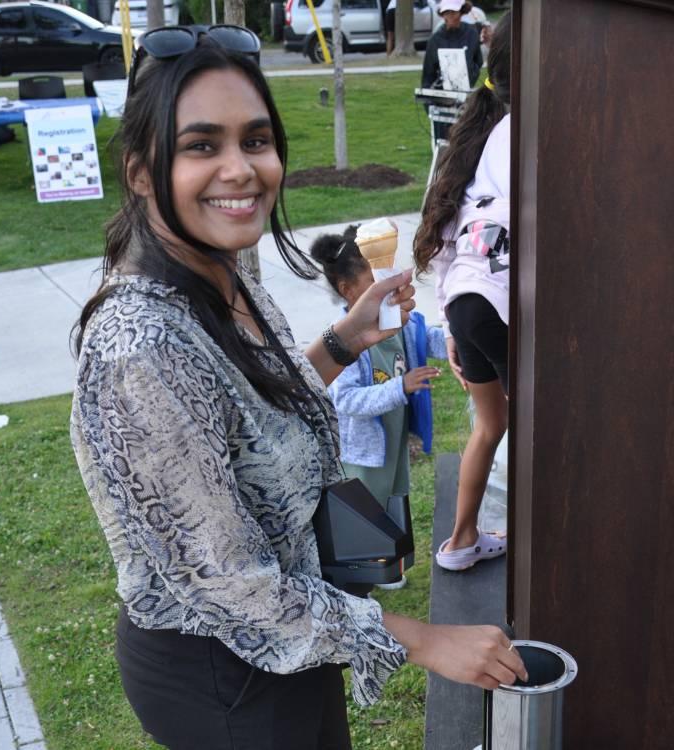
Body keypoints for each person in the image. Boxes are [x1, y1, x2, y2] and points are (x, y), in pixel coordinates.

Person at [71, 24, 526, 749]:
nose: (241, 168)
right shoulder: (140, 348)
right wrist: (425, 639)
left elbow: (247, 410)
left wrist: (345, 339)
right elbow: (227, 583)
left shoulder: (226, 271)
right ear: (138, 171)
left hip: (296, 634)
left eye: (255, 140)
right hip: (224, 673)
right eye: (201, 145)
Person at [413, 12, 511, 571]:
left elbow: (450, 243)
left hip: (466, 300)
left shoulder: (470, 145)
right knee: (541, 422)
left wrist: (452, 325)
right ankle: (555, 540)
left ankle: (461, 542)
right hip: (495, 298)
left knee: (491, 423)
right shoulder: (517, 134)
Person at [311, 226, 446, 590]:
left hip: (393, 437)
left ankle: (394, 561)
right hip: (367, 449)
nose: (388, 287)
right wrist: (399, 387)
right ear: (348, 290)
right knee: (368, 509)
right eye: (375, 280)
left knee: (395, 496)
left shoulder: (397, 323)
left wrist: (457, 341)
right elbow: (347, 400)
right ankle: (372, 566)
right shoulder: (346, 342)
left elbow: (426, 336)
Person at [421, 0, 483, 90]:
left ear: (461, 12)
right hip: (442, 91)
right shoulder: (435, 40)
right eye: (446, 12)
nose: (450, 16)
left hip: (467, 88)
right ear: (442, 15)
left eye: (453, 12)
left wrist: (471, 76)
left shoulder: (471, 34)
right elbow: (428, 71)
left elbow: (478, 61)